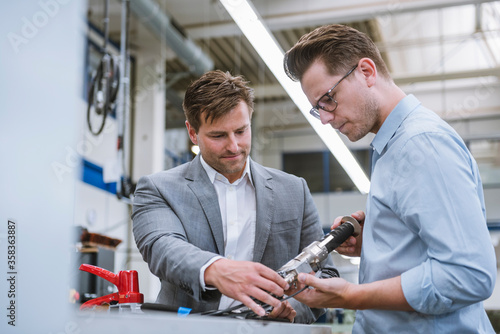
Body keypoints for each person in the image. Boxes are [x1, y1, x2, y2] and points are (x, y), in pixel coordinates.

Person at [283, 24, 497, 333]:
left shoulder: (420, 145)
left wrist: (350, 295)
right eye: (318, 109)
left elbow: (469, 274)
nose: (326, 118)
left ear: (367, 72)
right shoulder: (391, 147)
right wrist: (380, 240)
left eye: (328, 99)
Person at [132, 70, 338, 324]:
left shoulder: (294, 191)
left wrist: (289, 310)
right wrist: (217, 270)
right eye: (218, 135)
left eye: (241, 131)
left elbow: (324, 274)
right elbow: (162, 247)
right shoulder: (159, 188)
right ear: (193, 133)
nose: (233, 146)